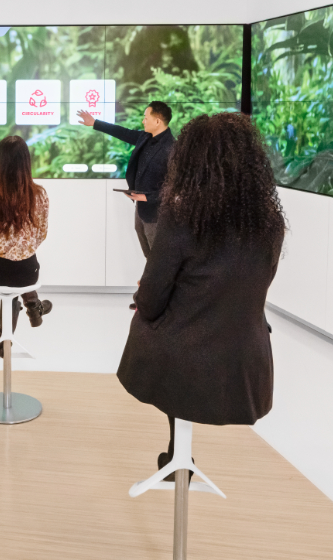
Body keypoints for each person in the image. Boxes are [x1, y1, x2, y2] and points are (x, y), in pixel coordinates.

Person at [118, 112, 283, 470]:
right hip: (243, 362)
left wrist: (146, 291)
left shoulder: (180, 219)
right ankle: (178, 453)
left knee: (152, 321)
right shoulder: (269, 223)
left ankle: (178, 452)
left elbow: (151, 301)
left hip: (184, 362)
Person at [0, 134, 56, 353]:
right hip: (24, 272)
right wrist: (18, 248)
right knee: (17, 277)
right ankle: (33, 309)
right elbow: (41, 234)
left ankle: (7, 336)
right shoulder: (39, 194)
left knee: (10, 282)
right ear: (26, 163)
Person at [79, 101, 173, 256]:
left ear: (157, 121)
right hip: (141, 208)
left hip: (157, 213)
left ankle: (155, 279)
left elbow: (174, 188)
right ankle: (151, 278)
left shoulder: (171, 148)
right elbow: (123, 132)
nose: (143, 121)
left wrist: (148, 197)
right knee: (148, 253)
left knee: (159, 256)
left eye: (146, 117)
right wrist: (95, 123)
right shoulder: (145, 137)